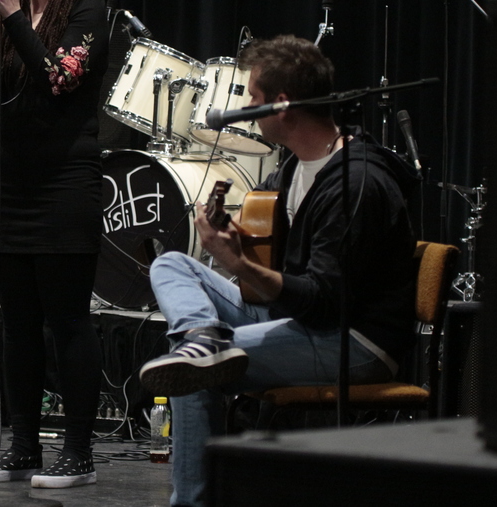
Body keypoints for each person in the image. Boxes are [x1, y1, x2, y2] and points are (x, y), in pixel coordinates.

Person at [138, 35, 418, 506]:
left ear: (282, 105)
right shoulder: (293, 168)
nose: (246, 108)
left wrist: (237, 263)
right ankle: (202, 335)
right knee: (172, 265)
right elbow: (278, 258)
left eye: (253, 98)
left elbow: (323, 302)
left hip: (353, 342)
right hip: (302, 321)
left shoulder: (355, 183)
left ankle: (193, 500)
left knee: (191, 370)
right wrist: (239, 241)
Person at [0, 0, 109, 489]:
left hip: (63, 183)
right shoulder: (11, 10)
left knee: (67, 320)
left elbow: (58, 80)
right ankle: (23, 447)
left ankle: (78, 453)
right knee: (16, 322)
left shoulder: (87, 9)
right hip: (9, 182)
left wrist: (13, 18)